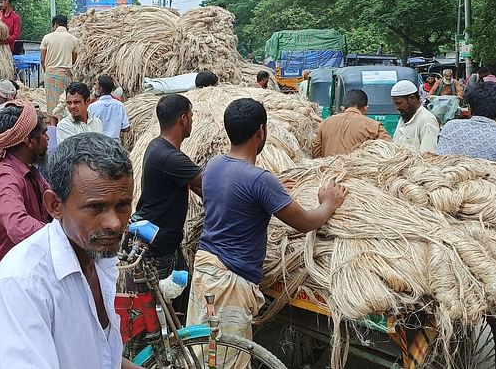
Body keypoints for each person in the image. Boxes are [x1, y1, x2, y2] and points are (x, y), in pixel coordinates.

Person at [187, 98, 348, 340]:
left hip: (205, 271)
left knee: (202, 348)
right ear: (261, 131)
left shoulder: (214, 165)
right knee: (226, 358)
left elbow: (236, 193)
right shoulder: (259, 180)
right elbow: (305, 222)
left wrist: (270, 190)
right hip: (229, 284)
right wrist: (329, 202)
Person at [0, 133, 143, 369]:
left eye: (122, 205)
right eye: (95, 207)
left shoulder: (99, 260)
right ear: (55, 206)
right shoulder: (22, 284)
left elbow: (99, 356)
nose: (114, 223)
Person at [0, 100, 50, 274]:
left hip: (24, 267)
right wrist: (60, 238)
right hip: (4, 275)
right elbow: (17, 224)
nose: (48, 138)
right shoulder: (5, 178)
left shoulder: (29, 171)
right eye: (44, 133)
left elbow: (53, 200)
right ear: (29, 140)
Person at [135, 94, 202, 278]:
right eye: (191, 115)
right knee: (160, 303)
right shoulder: (170, 158)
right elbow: (209, 182)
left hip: (162, 242)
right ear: (183, 119)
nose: (192, 120)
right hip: (157, 249)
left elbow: (195, 184)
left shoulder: (157, 146)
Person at [312, 89, 391, 158]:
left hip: (330, 173)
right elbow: (390, 153)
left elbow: (316, 154)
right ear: (365, 108)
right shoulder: (374, 126)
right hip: (360, 173)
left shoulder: (326, 123)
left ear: (342, 108)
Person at [41, 15, 79, 113]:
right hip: (65, 73)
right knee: (64, 101)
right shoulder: (73, 39)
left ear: (55, 25)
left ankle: (53, 124)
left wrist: (47, 71)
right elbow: (74, 59)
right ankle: (65, 123)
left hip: (50, 72)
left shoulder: (47, 37)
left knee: (52, 103)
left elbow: (42, 59)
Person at [391, 80, 440, 153]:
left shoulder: (427, 121)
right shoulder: (405, 116)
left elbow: (428, 156)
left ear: (412, 98)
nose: (397, 107)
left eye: (399, 103)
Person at [88, 75, 130, 142]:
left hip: (98, 145)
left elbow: (88, 127)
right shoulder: (119, 105)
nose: (95, 87)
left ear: (101, 88)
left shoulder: (92, 107)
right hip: (115, 145)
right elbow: (126, 128)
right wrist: (114, 127)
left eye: (96, 85)